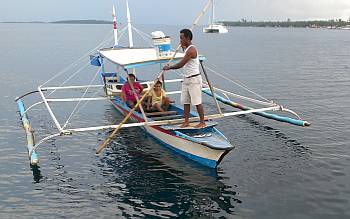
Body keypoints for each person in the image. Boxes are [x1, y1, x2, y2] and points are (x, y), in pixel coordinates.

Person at [163, 29, 206, 128]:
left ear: (187, 38)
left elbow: (181, 64)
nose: (180, 40)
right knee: (185, 101)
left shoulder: (191, 50)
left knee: (197, 101)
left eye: (181, 38)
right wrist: (183, 47)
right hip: (186, 79)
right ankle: (186, 121)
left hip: (194, 80)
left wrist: (168, 67)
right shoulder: (187, 48)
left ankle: (202, 122)